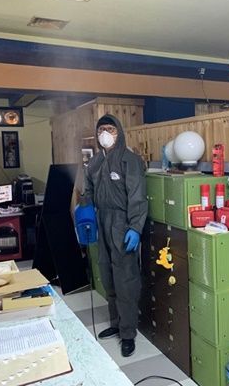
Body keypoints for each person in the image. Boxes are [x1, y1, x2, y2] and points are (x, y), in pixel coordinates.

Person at [84, 114, 147, 357]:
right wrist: (86, 213)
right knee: (107, 275)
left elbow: (137, 195)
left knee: (125, 279)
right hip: (101, 221)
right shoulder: (95, 162)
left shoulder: (129, 160)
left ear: (119, 132)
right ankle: (116, 323)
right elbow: (88, 190)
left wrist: (135, 227)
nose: (105, 134)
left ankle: (128, 333)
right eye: (101, 129)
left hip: (122, 223)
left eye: (110, 129)